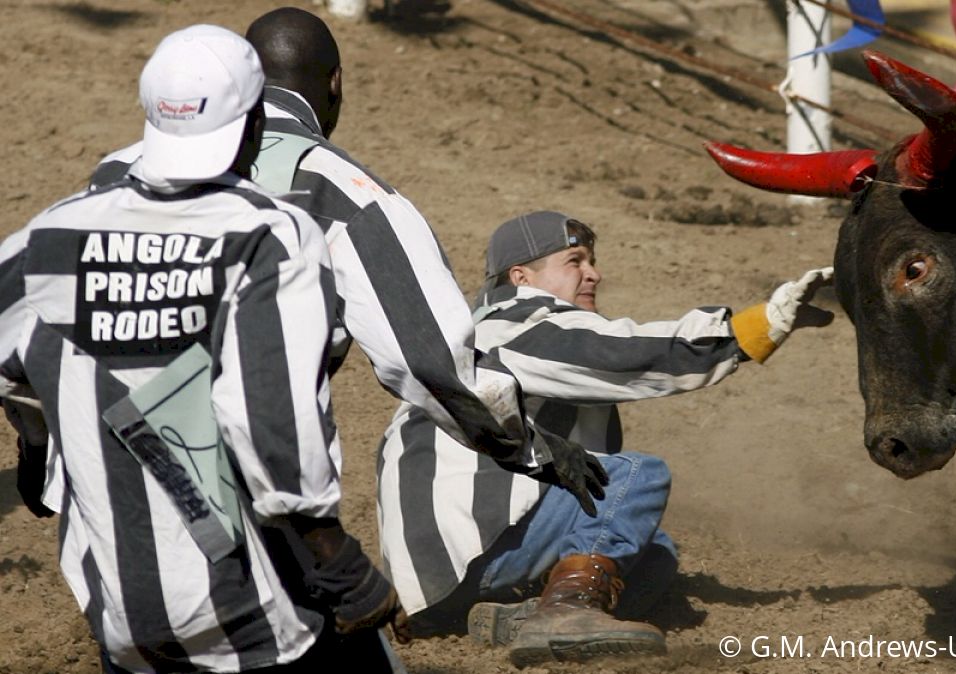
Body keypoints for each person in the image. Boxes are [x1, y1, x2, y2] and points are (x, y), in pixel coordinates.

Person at [82, 9, 606, 532]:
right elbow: (430, 359)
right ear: (335, 82)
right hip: (243, 488)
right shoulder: (343, 190)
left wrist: (37, 446)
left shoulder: (115, 170)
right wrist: (530, 446)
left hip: (98, 471)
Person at [0, 25, 404, 672]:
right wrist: (341, 562)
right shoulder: (267, 235)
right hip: (253, 605)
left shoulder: (48, 236)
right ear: (252, 126)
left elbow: (15, 368)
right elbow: (268, 416)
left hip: (119, 606)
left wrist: (36, 445)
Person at [377, 210, 835, 666]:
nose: (594, 273)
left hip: (439, 579)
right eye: (574, 261)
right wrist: (753, 327)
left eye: (591, 261)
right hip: (473, 549)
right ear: (521, 277)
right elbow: (622, 353)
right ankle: (565, 612)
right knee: (632, 477)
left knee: (655, 553)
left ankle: (516, 619)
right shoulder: (514, 325)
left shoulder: (476, 340)